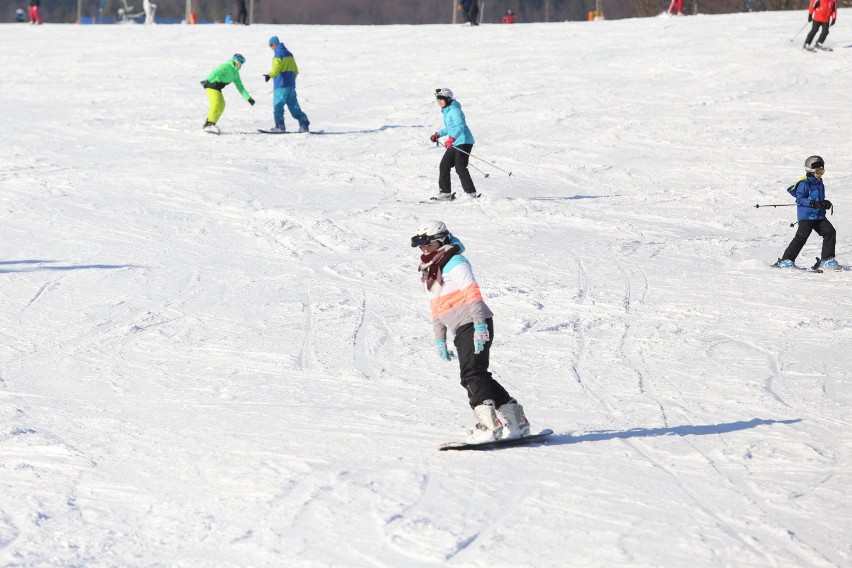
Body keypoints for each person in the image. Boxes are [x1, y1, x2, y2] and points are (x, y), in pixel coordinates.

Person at [411, 220, 532, 443]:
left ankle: (488, 425)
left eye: (430, 245)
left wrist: (479, 327)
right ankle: (517, 421)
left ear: (443, 240)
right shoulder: (431, 271)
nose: (425, 250)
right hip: (460, 327)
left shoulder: (455, 262)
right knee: (478, 374)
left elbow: (473, 294)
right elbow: (436, 307)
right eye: (421, 246)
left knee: (471, 375)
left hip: (474, 322)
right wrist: (440, 340)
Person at [774, 156, 841, 271]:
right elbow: (799, 199)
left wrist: (825, 203)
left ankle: (827, 260)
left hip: (819, 216)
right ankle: (786, 260)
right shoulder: (804, 184)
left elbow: (820, 199)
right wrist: (811, 203)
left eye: (822, 171)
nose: (820, 174)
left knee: (830, 232)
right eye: (818, 172)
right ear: (811, 170)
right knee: (801, 237)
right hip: (806, 216)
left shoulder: (820, 183)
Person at [429, 88, 478, 200]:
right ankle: (445, 193)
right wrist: (438, 134)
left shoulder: (455, 110)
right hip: (455, 142)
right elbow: (450, 127)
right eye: (438, 100)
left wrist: (451, 139)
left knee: (460, 167)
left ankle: (471, 193)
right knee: (444, 165)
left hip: (464, 141)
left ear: (448, 99)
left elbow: (460, 126)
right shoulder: (448, 111)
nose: (439, 102)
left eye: (441, 99)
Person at [263, 36, 310, 133]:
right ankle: (304, 123)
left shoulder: (278, 55)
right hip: (291, 85)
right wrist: (291, 80)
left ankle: (280, 126)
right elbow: (295, 70)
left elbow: (276, 70)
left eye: (271, 45)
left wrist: (269, 75)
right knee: (294, 106)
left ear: (275, 44)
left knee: (278, 105)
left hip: (280, 85)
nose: (270, 47)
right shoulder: (289, 54)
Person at [200, 54, 255, 134]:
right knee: (216, 103)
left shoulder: (236, 74)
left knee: (222, 105)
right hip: (211, 85)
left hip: (217, 88)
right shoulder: (226, 66)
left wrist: (248, 98)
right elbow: (216, 72)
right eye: (238, 63)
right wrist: (207, 80)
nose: (239, 65)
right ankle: (209, 124)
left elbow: (240, 87)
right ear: (234, 61)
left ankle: (210, 124)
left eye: (241, 64)